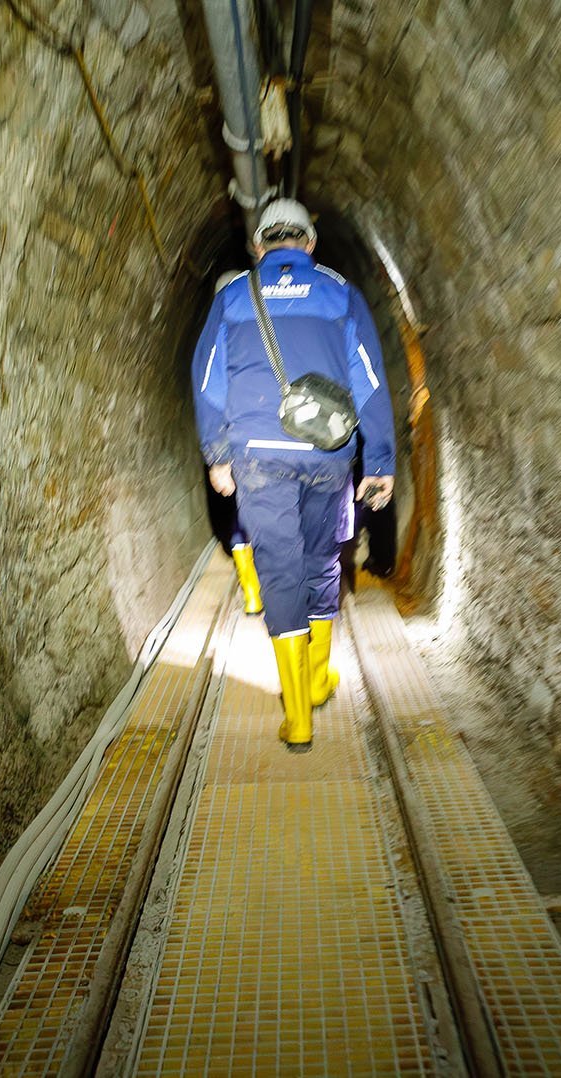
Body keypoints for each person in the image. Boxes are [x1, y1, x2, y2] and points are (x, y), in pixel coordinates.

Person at [191, 199, 395, 749]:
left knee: (279, 568)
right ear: (309, 244)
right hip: (327, 452)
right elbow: (370, 379)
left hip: (257, 453)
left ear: (259, 248)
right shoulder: (340, 293)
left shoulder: (233, 296)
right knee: (323, 557)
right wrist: (379, 462)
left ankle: (298, 715)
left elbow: (207, 375)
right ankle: (321, 677)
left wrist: (217, 455)